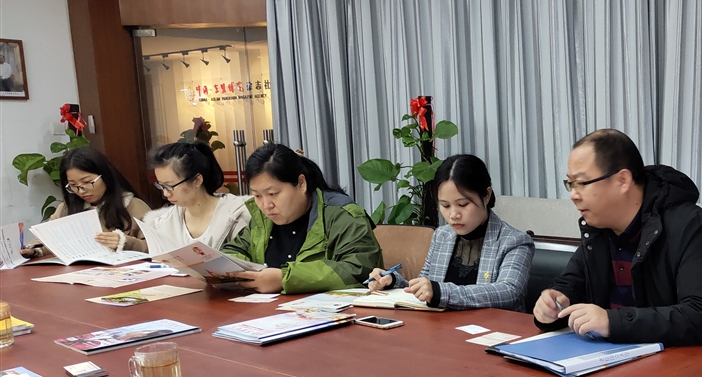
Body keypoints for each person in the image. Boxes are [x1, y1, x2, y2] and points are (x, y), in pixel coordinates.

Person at [532, 129, 702, 350]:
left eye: (582, 183)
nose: (573, 195)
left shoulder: (691, 226)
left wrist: (613, 322)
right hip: (619, 359)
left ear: (622, 180)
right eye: (570, 184)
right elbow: (570, 285)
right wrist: (553, 305)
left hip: (696, 362)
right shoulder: (599, 229)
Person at [366, 154, 534, 311]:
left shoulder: (514, 241)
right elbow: (425, 287)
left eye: (462, 204)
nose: (453, 215)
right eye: (445, 205)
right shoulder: (442, 236)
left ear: (486, 195)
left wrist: (441, 292)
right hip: (442, 328)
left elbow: (508, 292)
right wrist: (392, 281)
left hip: (492, 329)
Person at [220, 144, 383, 294]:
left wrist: (284, 279)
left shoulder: (341, 214)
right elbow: (234, 251)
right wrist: (233, 270)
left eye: (272, 194)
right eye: (257, 195)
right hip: (266, 311)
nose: (266, 205)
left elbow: (359, 269)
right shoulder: (262, 218)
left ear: (301, 183)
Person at [20, 147, 150, 258]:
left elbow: (156, 246)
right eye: (73, 185)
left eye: (87, 182)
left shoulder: (133, 206)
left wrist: (124, 242)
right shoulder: (66, 208)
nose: (81, 190)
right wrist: (35, 249)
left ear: (105, 176)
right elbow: (49, 239)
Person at [143, 142, 251, 252]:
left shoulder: (236, 215)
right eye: (161, 186)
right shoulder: (165, 222)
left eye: (169, 186)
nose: (165, 193)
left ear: (197, 180)